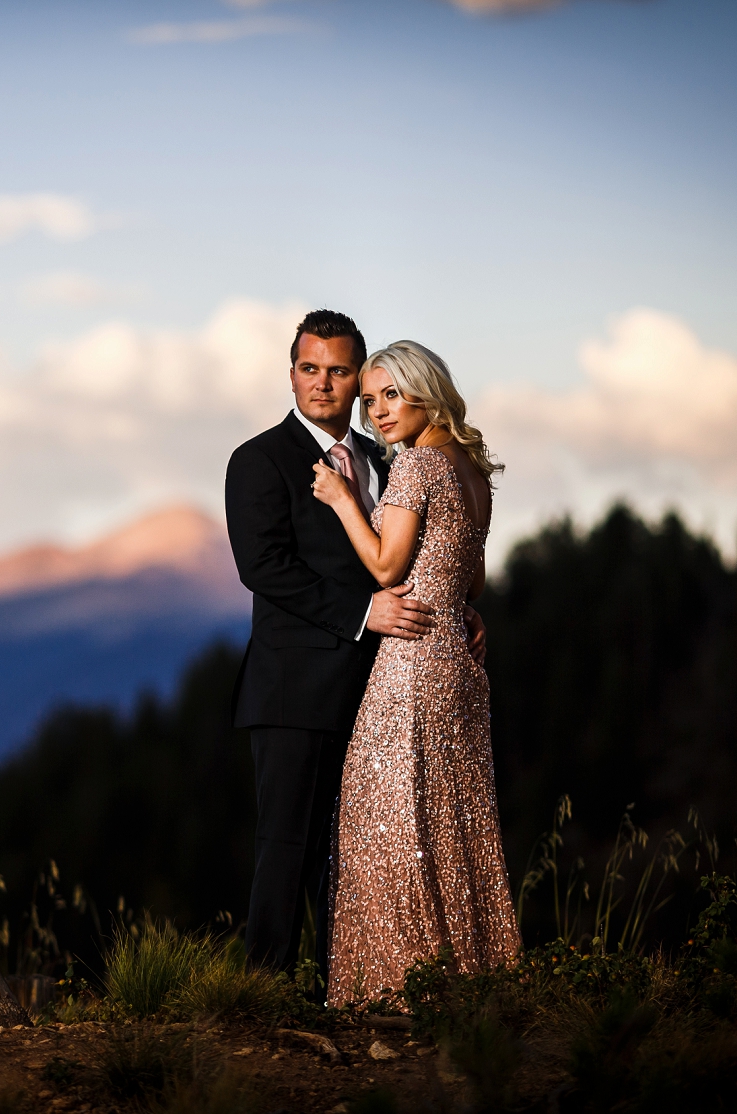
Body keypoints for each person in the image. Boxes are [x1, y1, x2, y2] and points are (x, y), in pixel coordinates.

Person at [225, 311, 484, 976]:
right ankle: (263, 995)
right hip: (295, 691)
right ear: (291, 374)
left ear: (357, 378)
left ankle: (336, 992)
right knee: (288, 845)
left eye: (339, 372)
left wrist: (463, 607)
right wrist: (362, 613)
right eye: (310, 369)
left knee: (357, 852)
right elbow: (264, 568)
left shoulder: (381, 458)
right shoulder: (259, 460)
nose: (323, 384)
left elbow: (421, 549)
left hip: (380, 690)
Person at [312, 340, 521, 1004]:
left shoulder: (416, 467)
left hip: (410, 661)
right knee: (453, 822)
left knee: (383, 816)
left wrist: (343, 499)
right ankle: (471, 979)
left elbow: (385, 569)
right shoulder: (471, 472)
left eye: (389, 395)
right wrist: (460, 606)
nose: (377, 412)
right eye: (369, 401)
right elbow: (474, 577)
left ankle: (399, 986)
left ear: (424, 390)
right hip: (457, 663)